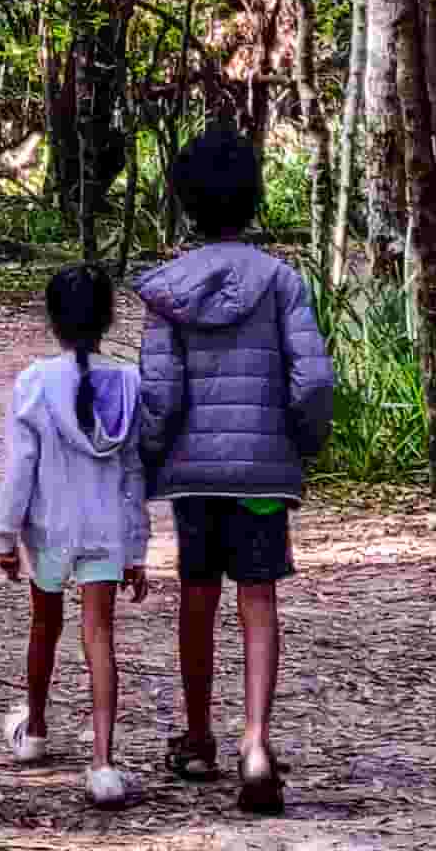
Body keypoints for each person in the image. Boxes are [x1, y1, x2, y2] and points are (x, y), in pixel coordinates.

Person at [132, 126, 332, 816]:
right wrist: (299, 444)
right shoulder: (282, 283)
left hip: (194, 478)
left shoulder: (169, 291)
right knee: (258, 594)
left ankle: (196, 738)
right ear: (253, 197)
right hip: (261, 478)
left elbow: (159, 394)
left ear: (187, 202)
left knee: (197, 592)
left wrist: (151, 456)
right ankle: (256, 742)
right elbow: (313, 380)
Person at [0, 262, 151, 807]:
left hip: (50, 530)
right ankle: (103, 765)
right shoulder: (129, 384)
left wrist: (6, 537)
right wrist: (136, 548)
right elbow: (134, 474)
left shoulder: (35, 383)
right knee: (99, 635)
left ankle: (35, 731)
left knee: (45, 625)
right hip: (106, 530)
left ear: (53, 320)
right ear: (108, 319)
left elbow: (21, 469)